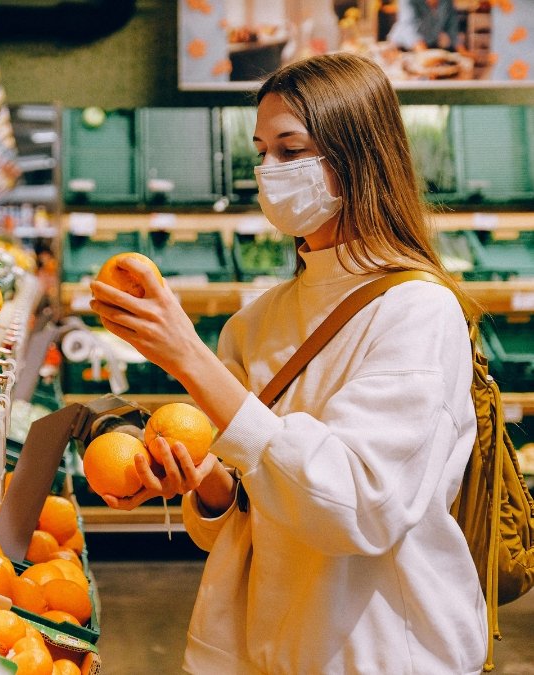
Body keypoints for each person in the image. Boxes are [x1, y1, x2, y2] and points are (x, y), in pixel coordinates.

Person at [89, 52, 487, 674]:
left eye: (291, 151)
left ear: (357, 157)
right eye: (261, 151)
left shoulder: (418, 311)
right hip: (266, 649)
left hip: (380, 655)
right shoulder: (258, 320)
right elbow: (248, 519)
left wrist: (189, 356)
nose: (267, 171)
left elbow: (356, 510)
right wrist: (200, 482)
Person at [387, 0, 459, 51]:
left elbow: (452, 26)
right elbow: (409, 26)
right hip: (402, 47)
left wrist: (462, 50)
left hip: (428, 45)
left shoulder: (447, 2)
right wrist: (425, 54)